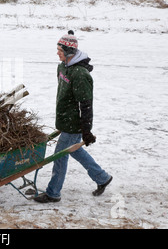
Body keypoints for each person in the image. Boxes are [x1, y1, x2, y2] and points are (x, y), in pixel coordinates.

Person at [34, 30, 112, 203]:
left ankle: (53, 193)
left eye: (60, 50)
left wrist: (86, 130)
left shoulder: (80, 75)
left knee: (60, 156)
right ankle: (102, 177)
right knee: (75, 151)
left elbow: (86, 105)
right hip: (65, 119)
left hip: (74, 123)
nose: (57, 53)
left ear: (69, 53)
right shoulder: (62, 67)